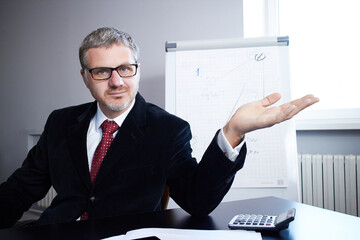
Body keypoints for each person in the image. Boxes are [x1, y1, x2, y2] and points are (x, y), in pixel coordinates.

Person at [0, 27, 319, 228]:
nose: (116, 81)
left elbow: (196, 200)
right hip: (58, 232)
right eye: (101, 71)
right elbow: (21, 188)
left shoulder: (167, 130)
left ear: (137, 71)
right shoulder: (60, 122)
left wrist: (233, 132)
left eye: (125, 68)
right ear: (84, 76)